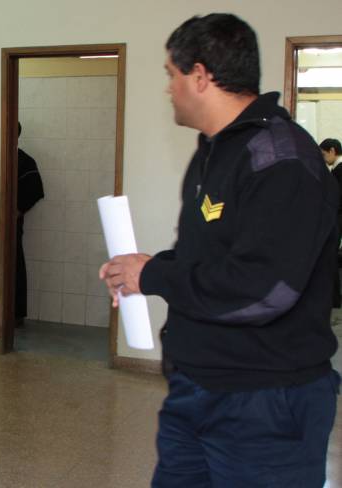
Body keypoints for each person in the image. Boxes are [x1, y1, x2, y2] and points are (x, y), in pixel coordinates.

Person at [100, 13, 340, 487]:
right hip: (197, 389)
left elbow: (263, 290)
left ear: (200, 76)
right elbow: (211, 261)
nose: (168, 88)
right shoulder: (213, 152)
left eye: (171, 74)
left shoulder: (282, 159)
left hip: (266, 402)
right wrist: (141, 270)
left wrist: (154, 276)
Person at [15, 122, 44, 326]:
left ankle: (16, 315)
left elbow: (35, 191)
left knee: (15, 265)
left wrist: (17, 211)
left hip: (12, 226)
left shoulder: (25, 161)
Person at [320, 138, 342, 307]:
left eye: (323, 154)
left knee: (331, 256)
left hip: (338, 218)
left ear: (332, 151)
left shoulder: (339, 171)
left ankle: (335, 299)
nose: (323, 158)